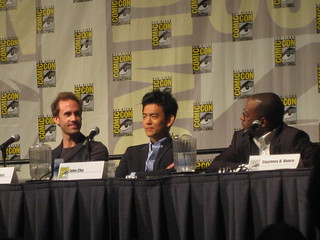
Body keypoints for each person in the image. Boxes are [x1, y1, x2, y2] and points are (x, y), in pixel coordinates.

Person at [207, 92, 318, 173]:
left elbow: (314, 161)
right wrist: (247, 168)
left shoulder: (292, 138)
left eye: (246, 114)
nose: (241, 117)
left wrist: (286, 164)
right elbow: (215, 166)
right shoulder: (241, 138)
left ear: (262, 122)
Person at [115, 90, 178, 178]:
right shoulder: (131, 153)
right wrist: (162, 173)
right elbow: (117, 182)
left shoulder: (178, 152)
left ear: (169, 120)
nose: (147, 122)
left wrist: (134, 175)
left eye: (154, 116)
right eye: (144, 116)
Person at [51, 92, 108, 164]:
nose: (74, 119)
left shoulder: (95, 149)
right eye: (68, 114)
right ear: (57, 119)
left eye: (77, 114)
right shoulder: (52, 157)